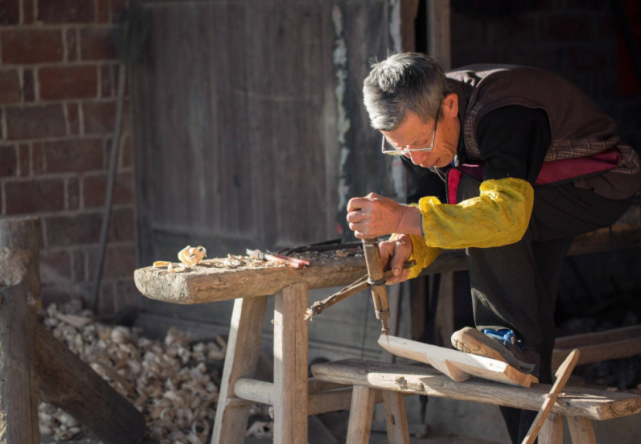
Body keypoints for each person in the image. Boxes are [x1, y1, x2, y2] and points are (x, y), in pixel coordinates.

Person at [346, 52, 641, 442]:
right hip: (527, 195)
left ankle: (509, 341)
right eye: (399, 149)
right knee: (525, 316)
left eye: (418, 143)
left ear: (449, 106)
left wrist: (401, 218)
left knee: (480, 206)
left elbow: (504, 215)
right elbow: (433, 202)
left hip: (596, 183)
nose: (415, 158)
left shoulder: (505, 109)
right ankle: (522, 406)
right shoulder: (419, 124)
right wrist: (406, 244)